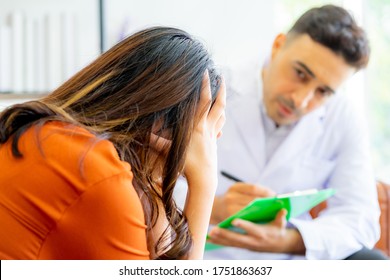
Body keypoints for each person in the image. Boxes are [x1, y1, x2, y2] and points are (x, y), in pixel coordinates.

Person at [0, 26, 226, 260]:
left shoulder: (44, 132)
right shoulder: (98, 174)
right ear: (161, 130)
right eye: (201, 139)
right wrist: (204, 183)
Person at [205, 5, 387, 260]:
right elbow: (151, 187)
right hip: (208, 255)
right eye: (300, 74)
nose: (301, 101)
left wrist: (287, 241)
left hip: (288, 260)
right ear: (278, 45)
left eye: (323, 92)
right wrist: (215, 208)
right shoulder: (212, 89)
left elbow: (361, 218)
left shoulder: (343, 117)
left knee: (373, 263)